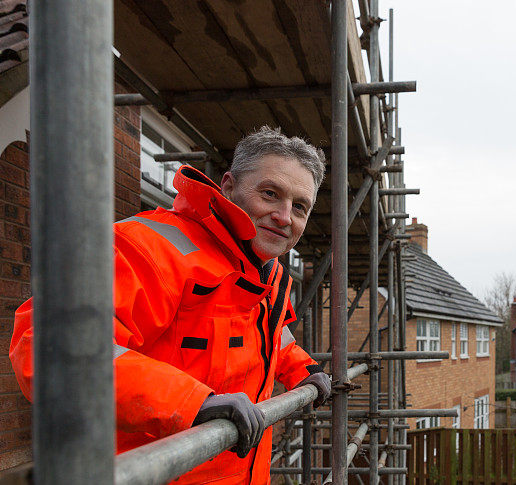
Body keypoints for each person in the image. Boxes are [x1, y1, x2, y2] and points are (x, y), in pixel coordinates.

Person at [10, 126, 331, 484]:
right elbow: (47, 346)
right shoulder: (148, 247)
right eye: (270, 194)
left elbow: (271, 336)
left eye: (299, 206)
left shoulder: (266, 273)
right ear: (228, 186)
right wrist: (192, 402)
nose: (284, 216)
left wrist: (303, 370)